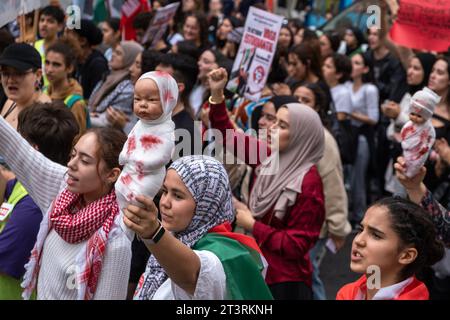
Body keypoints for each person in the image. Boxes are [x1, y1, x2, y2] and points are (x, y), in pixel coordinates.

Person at [208, 67, 326, 300]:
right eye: (274, 121)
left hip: (285, 282)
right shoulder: (270, 158)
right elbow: (228, 135)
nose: (271, 128)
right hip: (258, 269)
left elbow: (296, 246)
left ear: (301, 135)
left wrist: (252, 223)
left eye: (282, 125)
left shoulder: (309, 182)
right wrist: (217, 94)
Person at [0, 116, 132, 299]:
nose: (71, 164)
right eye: (73, 155)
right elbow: (17, 149)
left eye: (85, 161)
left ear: (112, 175)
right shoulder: (62, 190)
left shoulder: (116, 240)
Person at [126, 155, 273, 300]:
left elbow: (192, 275)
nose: (165, 202)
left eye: (177, 196)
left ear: (206, 205)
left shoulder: (220, 253)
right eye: (165, 191)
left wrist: (153, 233)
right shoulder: (173, 236)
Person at [0, 102, 79, 300]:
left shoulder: (33, 208)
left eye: (18, 138)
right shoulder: (26, 185)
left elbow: (4, 260)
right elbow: (8, 186)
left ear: (31, 150)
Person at [337, 197, 444, 300]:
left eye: (376, 235)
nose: (358, 240)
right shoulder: (349, 293)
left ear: (407, 255)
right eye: (361, 229)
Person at [115, 71, 177, 211]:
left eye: (151, 100)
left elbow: (162, 156)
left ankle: (127, 228)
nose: (143, 104)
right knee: (119, 190)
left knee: (136, 202)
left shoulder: (165, 129)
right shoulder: (141, 123)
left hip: (148, 175)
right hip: (130, 169)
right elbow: (130, 140)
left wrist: (139, 162)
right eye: (137, 99)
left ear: (167, 101)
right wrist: (124, 155)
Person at [88, 41, 143, 128]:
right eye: (114, 51)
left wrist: (84, 117)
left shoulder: (129, 88)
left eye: (118, 53)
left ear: (129, 59)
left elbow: (109, 119)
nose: (113, 54)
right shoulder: (108, 76)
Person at [0, 43, 51, 130]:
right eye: (5, 73)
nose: (10, 80)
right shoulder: (11, 102)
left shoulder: (45, 115)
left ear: (38, 75)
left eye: (18, 73)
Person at [44, 41, 89, 135]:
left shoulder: (75, 104)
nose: (49, 69)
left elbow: (77, 139)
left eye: (56, 64)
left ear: (69, 68)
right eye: (47, 63)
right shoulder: (44, 92)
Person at [401, 87, 440, 178]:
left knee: (416, 164)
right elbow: (403, 132)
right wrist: (404, 139)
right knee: (405, 162)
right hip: (408, 148)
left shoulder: (429, 128)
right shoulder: (409, 124)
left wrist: (426, 147)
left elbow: (431, 138)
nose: (414, 117)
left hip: (420, 151)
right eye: (412, 114)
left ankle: (412, 174)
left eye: (419, 116)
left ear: (427, 116)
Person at [65, 19, 109, 100]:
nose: (67, 37)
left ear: (82, 41)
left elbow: (95, 99)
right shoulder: (76, 60)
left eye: (71, 34)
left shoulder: (98, 65)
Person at [34, 5, 65, 87]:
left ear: (60, 26)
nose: (44, 24)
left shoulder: (64, 49)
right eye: (42, 20)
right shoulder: (35, 45)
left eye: (50, 21)